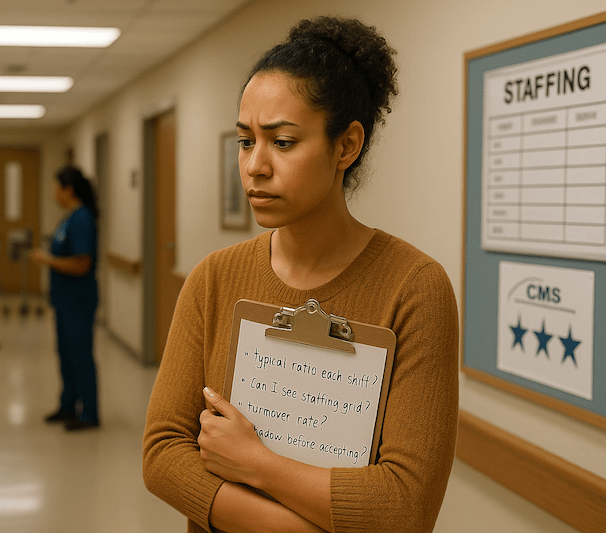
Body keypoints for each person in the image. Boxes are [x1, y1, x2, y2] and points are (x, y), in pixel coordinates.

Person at [142, 16, 459, 533]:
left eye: (283, 143)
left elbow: (404, 506)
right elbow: (161, 454)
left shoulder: (415, 288)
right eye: (246, 142)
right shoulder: (213, 279)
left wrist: (256, 464)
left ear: (346, 146)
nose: (254, 166)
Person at [30, 165, 101, 431]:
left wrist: (48, 260)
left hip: (78, 300)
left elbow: (82, 264)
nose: (53, 192)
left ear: (67, 189)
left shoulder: (82, 218)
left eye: (56, 186)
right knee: (66, 354)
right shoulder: (69, 217)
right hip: (65, 300)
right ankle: (68, 404)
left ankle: (89, 413)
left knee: (80, 355)